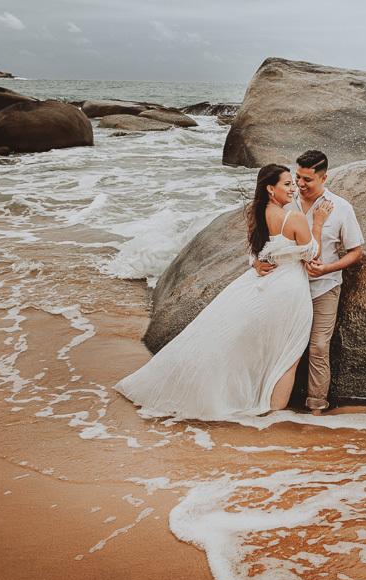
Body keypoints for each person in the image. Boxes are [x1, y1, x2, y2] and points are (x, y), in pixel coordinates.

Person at [115, 164, 333, 420]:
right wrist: (318, 222)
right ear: (270, 189)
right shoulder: (294, 218)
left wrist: (256, 263)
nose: (293, 189)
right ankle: (274, 420)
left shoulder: (256, 214)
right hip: (288, 291)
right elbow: (312, 254)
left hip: (261, 286)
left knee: (243, 349)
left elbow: (254, 252)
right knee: (287, 357)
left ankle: (234, 401)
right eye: (287, 184)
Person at [254, 149, 363, 415]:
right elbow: (261, 240)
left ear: (323, 178)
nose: (300, 185)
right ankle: (268, 404)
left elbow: (356, 252)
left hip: (322, 287)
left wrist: (328, 268)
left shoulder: (341, 208)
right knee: (279, 345)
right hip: (286, 288)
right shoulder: (285, 200)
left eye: (307, 180)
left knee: (318, 347)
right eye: (297, 177)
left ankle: (316, 408)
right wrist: (255, 262)